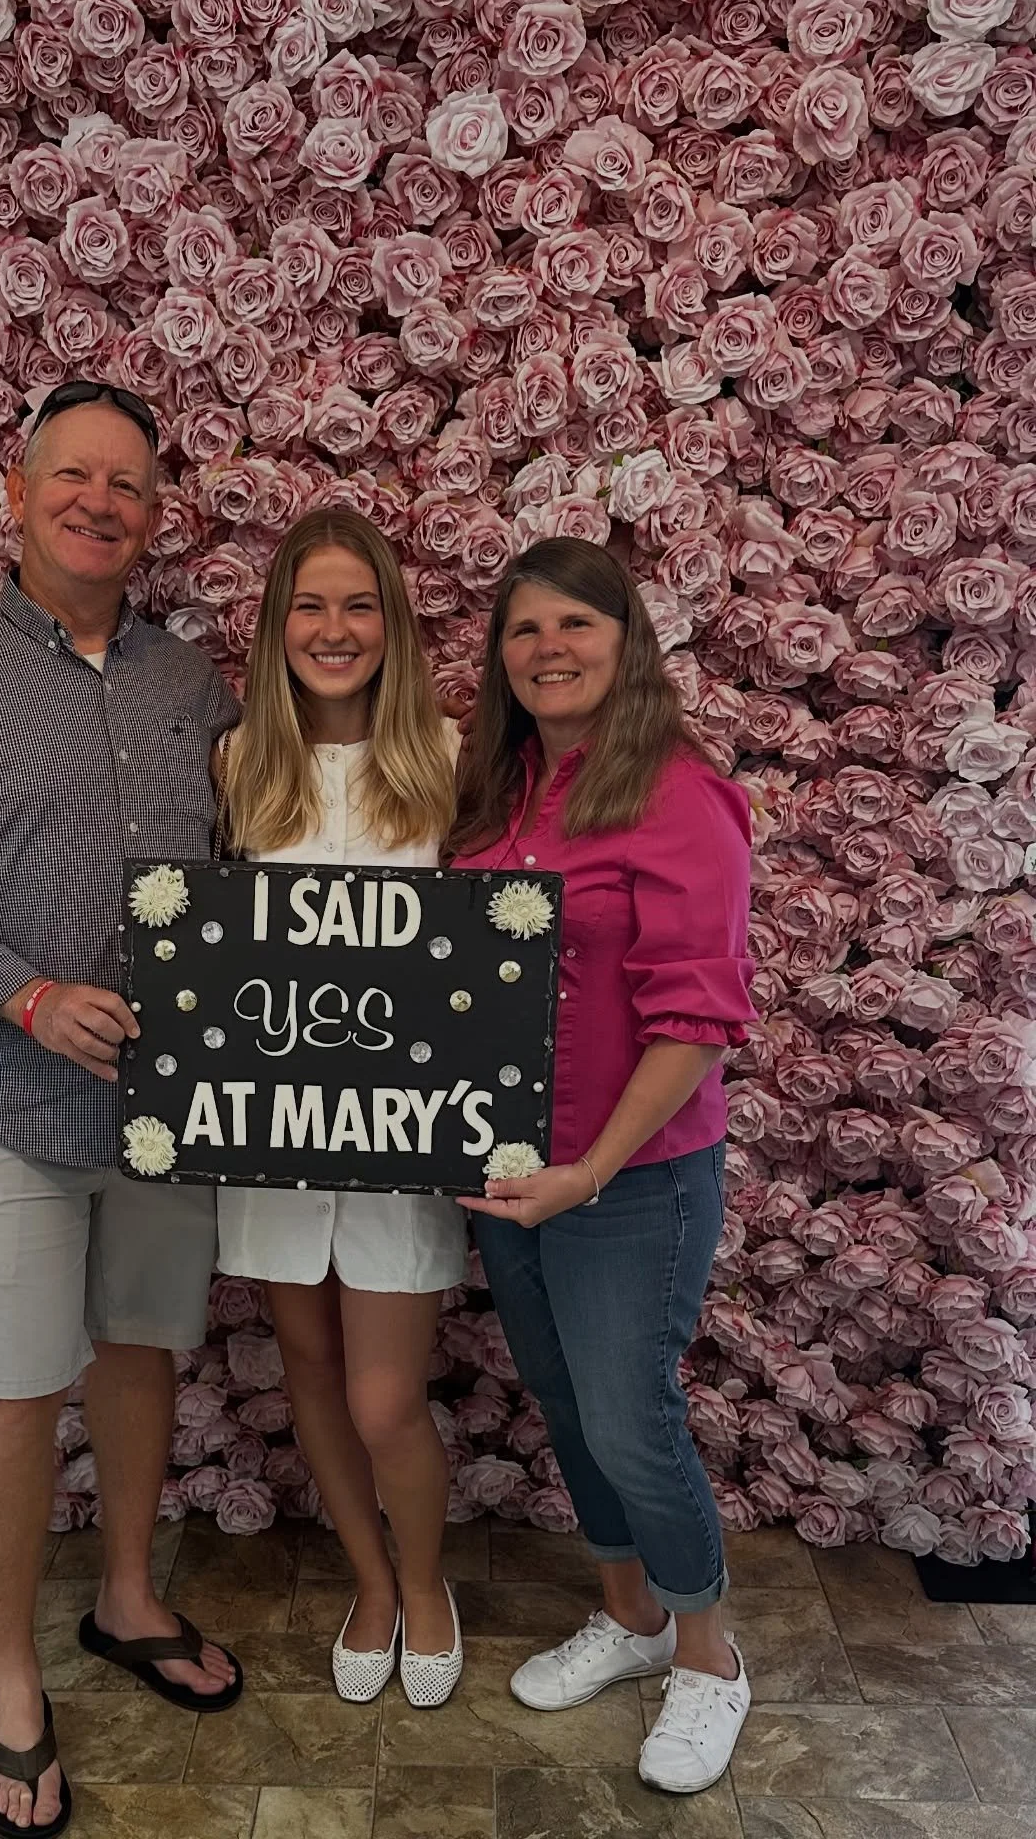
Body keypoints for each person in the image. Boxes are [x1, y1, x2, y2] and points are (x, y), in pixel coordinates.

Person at [0, 382, 242, 1839]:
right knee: (16, 1389)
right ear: (16, 498)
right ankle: (14, 1678)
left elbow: (261, 845)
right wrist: (25, 997)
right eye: (74, 476)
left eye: (129, 486)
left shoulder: (191, 684)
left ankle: (129, 1599)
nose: (101, 501)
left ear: (156, 520)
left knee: (140, 1354)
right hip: (5, 1098)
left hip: (162, 1107)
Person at [448, 537, 756, 1794]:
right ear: (502, 658)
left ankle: (710, 1660)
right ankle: (629, 1621)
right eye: (526, 631)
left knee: (634, 1419)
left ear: (625, 641)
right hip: (510, 1174)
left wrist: (591, 1168)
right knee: (570, 1408)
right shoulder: (499, 795)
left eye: (577, 624)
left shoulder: (679, 795)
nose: (550, 650)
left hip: (630, 1182)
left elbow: (697, 1017)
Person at [216, 507, 468, 1709]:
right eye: (310, 606)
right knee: (309, 1369)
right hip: (271, 1136)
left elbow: (484, 968)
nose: (334, 629)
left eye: (358, 605)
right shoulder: (238, 768)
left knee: (384, 1395)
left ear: (393, 626)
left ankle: (427, 1583)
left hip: (399, 1141)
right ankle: (370, 1579)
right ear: (276, 629)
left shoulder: (446, 763)